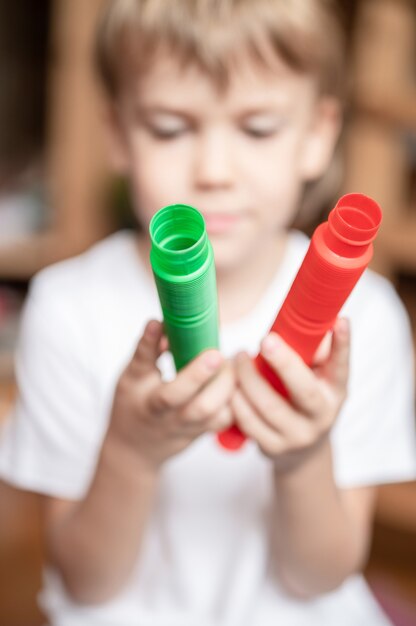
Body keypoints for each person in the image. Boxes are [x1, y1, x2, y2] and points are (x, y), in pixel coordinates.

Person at [1, 0, 415, 624]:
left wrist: (303, 456)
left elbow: (319, 576)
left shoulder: (368, 315)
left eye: (258, 128)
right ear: (116, 133)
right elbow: (86, 584)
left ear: (318, 136)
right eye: (170, 128)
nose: (214, 172)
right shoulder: (67, 310)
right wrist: (129, 453)